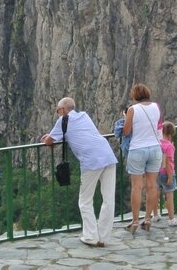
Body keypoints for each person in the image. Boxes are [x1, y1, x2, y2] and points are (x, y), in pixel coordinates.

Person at [40, 97, 118, 247]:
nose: (57, 113)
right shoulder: (84, 115)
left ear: (63, 110)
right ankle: (103, 237)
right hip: (108, 155)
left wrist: (46, 138)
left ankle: (91, 236)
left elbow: (49, 141)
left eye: (57, 110)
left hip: (91, 161)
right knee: (108, 199)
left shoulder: (63, 120)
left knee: (85, 200)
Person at [122, 82, 162, 235]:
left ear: (135, 95)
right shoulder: (156, 107)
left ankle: (135, 221)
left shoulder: (132, 109)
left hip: (138, 149)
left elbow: (126, 131)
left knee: (137, 187)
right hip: (155, 149)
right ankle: (148, 219)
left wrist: (126, 117)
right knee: (152, 185)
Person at [156, 121, 177, 225]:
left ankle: (155, 215)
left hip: (157, 172)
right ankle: (171, 219)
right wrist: (170, 177)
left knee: (156, 193)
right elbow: (167, 162)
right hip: (166, 173)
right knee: (169, 196)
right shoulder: (169, 146)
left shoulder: (158, 143)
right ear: (171, 134)